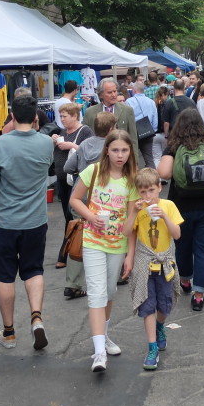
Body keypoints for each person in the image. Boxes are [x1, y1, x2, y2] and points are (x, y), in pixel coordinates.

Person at [0, 95, 55, 352]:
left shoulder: (0, 144)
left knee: (5, 276)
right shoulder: (45, 143)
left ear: (12, 116)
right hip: (36, 220)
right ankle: (36, 317)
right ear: (35, 118)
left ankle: (9, 333)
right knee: (34, 270)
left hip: (6, 221)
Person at [70, 129, 140, 373]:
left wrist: (130, 255)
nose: (120, 155)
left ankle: (105, 336)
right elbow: (75, 199)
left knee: (109, 292)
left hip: (117, 245)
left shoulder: (131, 180)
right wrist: (91, 217)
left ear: (130, 152)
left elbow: (131, 223)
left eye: (124, 150)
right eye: (115, 150)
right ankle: (99, 352)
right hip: (93, 241)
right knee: (96, 294)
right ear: (107, 151)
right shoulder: (94, 171)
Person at [157, 108, 204, 312]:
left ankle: (185, 279)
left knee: (183, 246)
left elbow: (163, 173)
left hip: (180, 206)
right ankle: (198, 295)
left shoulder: (174, 145)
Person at [128, 167, 183, 371]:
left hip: (165, 262)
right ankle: (152, 347)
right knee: (147, 304)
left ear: (160, 187)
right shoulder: (138, 208)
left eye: (151, 190)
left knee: (164, 304)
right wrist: (134, 212)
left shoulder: (168, 205)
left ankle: (160, 325)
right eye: (143, 192)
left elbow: (177, 234)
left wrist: (164, 217)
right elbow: (127, 232)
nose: (147, 196)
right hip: (144, 262)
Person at [62, 112, 119, 299]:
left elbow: (67, 167)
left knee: (79, 234)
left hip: (81, 195)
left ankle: (73, 282)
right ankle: (114, 275)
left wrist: (81, 170)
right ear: (111, 129)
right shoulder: (113, 148)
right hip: (104, 197)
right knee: (108, 232)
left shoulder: (85, 144)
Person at [51, 102, 93, 268]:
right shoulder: (62, 132)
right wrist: (54, 142)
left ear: (75, 116)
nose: (62, 119)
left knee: (72, 215)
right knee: (67, 216)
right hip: (62, 180)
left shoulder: (85, 131)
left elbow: (89, 151)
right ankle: (72, 250)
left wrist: (71, 146)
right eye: (61, 116)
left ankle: (64, 254)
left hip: (76, 179)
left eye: (65, 116)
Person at [83, 78, 139, 155]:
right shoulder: (90, 112)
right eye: (109, 92)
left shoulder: (127, 110)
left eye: (115, 91)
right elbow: (85, 138)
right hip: (97, 156)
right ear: (101, 95)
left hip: (121, 156)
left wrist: (134, 160)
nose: (113, 95)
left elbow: (133, 139)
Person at [126, 85, 159, 169]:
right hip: (148, 132)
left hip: (134, 133)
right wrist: (153, 130)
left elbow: (127, 119)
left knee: (133, 159)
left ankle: (134, 176)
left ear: (134, 90)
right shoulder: (151, 102)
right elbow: (155, 119)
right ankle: (153, 176)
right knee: (149, 159)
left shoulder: (129, 101)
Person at [152, 86, 171, 170]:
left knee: (156, 157)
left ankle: (158, 174)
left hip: (154, 133)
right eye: (167, 95)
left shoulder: (153, 104)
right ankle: (164, 174)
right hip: (164, 133)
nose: (167, 97)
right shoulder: (167, 105)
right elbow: (166, 121)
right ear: (163, 94)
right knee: (165, 156)